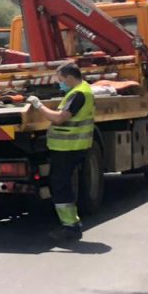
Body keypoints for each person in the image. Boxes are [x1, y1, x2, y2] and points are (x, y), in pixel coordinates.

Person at [27, 63, 96, 244]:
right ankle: (71, 224)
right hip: (71, 148)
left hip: (68, 149)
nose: (60, 84)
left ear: (70, 77)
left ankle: (70, 227)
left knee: (61, 186)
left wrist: (38, 105)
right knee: (62, 185)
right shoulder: (83, 90)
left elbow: (58, 118)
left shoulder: (78, 94)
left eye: (61, 80)